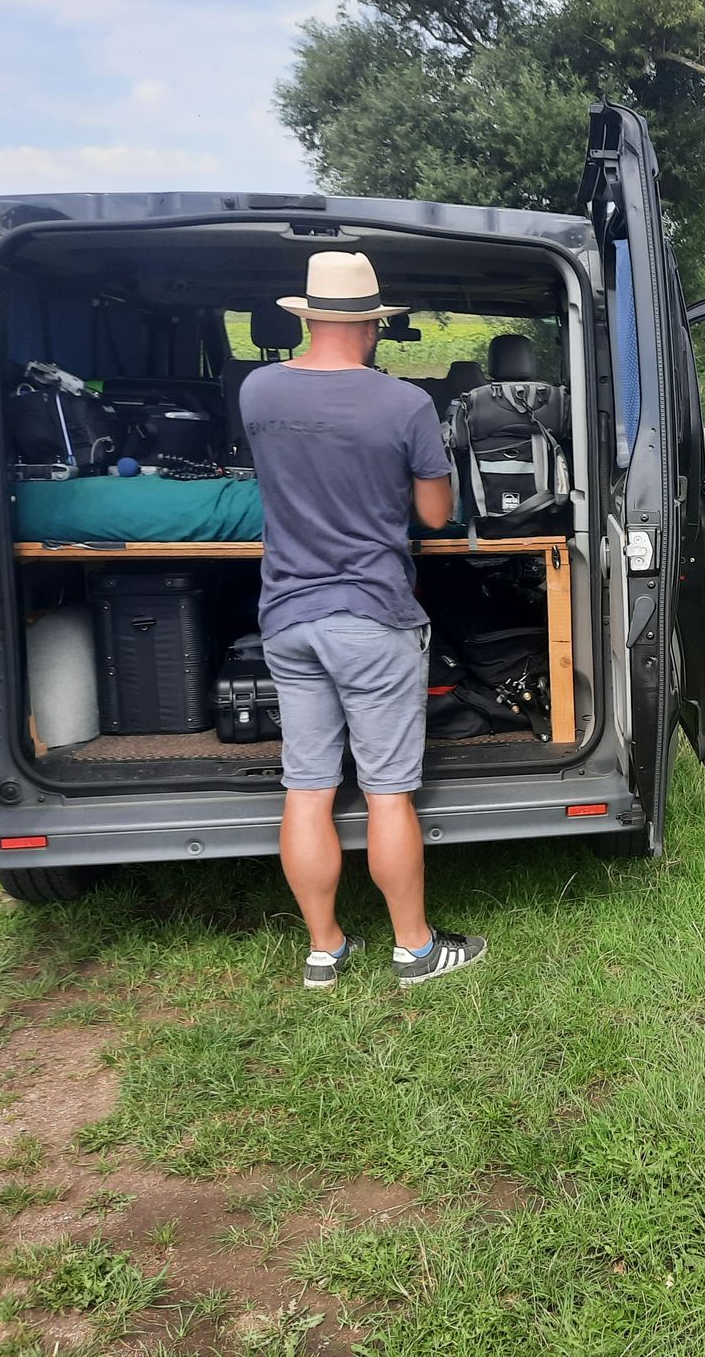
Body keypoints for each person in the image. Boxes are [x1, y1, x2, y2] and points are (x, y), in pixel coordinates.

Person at [240, 251, 487, 989]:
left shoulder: (258, 391)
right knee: (386, 792)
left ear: (307, 317)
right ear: (373, 326)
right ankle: (415, 949)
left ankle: (324, 950)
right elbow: (435, 515)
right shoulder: (404, 404)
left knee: (308, 788)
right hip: (372, 615)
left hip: (287, 615)